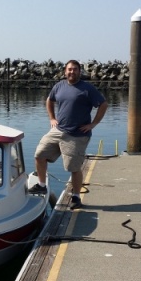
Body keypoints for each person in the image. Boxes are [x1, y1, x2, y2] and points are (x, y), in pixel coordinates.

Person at [28, 59, 108, 209]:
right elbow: (49, 100)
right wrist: (52, 118)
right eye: (69, 69)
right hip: (58, 130)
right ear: (65, 71)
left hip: (77, 135)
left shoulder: (87, 88)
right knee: (39, 155)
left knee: (74, 167)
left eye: (75, 69)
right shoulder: (59, 86)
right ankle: (41, 185)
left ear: (79, 71)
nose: (72, 72)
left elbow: (103, 104)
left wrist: (93, 123)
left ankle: (76, 197)